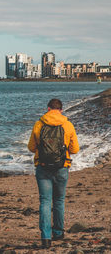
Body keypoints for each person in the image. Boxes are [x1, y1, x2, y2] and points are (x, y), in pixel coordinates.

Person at [28, 98, 79, 249]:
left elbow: (31, 147)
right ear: (61, 110)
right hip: (61, 167)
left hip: (43, 167)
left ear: (48, 109)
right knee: (59, 200)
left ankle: (45, 237)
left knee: (44, 201)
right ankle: (58, 232)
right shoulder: (67, 124)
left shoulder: (39, 124)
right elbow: (75, 149)